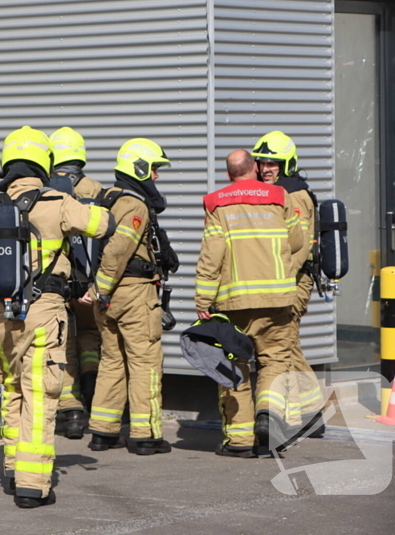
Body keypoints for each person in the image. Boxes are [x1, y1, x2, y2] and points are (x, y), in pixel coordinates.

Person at [0, 126, 115, 508]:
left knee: (13, 391)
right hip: (43, 310)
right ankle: (33, 485)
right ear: (44, 162)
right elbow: (104, 225)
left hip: (2, 313)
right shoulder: (56, 201)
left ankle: (12, 467)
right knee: (40, 396)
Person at [194, 150, 304, 458]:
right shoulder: (280, 196)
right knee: (274, 362)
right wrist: (286, 273)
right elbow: (297, 242)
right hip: (277, 300)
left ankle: (240, 441)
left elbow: (211, 256)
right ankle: (267, 417)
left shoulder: (217, 202)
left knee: (235, 367)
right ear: (254, 168)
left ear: (229, 174)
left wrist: (203, 299)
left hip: (233, 302)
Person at [87, 139, 173, 456]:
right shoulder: (134, 205)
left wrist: (97, 292)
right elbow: (118, 251)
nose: (156, 177)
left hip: (106, 298)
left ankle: (104, 431)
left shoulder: (106, 198)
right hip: (131, 292)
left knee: (112, 361)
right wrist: (103, 288)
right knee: (145, 362)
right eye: (154, 169)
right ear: (139, 168)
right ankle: (145, 434)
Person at [252, 131, 326, 437]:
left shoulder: (294, 196)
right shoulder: (276, 193)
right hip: (283, 280)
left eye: (273, 163)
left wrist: (278, 282)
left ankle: (306, 415)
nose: (266, 168)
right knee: (287, 344)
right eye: (262, 163)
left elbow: (300, 248)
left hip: (294, 281)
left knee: (283, 345)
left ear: (288, 165)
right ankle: (311, 415)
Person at [49, 127, 104, 439]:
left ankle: (71, 411)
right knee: (91, 338)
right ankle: (94, 390)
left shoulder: (47, 191)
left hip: (60, 283)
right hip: (94, 284)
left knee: (63, 341)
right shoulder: (98, 191)